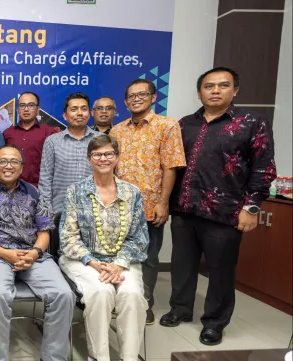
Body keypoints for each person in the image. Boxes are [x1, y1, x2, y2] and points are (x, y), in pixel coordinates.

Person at [161, 67, 277, 346]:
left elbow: (264, 168)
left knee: (221, 270)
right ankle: (180, 309)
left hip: (225, 211)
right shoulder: (184, 124)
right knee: (182, 265)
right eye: (209, 86)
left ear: (234, 90)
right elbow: (171, 165)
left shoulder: (251, 122)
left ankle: (214, 322)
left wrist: (251, 207)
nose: (215, 91)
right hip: (184, 208)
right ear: (199, 91)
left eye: (223, 85)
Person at [0, 144, 75, 361]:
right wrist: (5, 254)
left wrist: (34, 253)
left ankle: (54, 357)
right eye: (3, 161)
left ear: (21, 167)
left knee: (64, 295)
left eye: (14, 162)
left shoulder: (34, 192)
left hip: (32, 254)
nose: (8, 166)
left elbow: (45, 232)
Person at [59, 135, 149, 361]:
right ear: (89, 159)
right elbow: (68, 237)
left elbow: (139, 236)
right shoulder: (76, 191)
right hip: (82, 260)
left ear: (117, 157)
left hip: (122, 261)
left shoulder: (132, 193)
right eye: (97, 154)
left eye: (109, 154)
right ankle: (99, 357)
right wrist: (92, 262)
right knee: (101, 292)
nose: (103, 159)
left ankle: (129, 357)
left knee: (132, 295)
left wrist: (118, 264)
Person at [109, 79, 186, 325]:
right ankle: (117, 301)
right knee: (117, 255)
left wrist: (164, 202)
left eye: (142, 94)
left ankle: (145, 304)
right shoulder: (117, 130)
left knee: (149, 258)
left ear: (154, 97)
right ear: (125, 102)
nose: (136, 99)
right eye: (131, 96)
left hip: (151, 206)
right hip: (119, 207)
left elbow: (170, 167)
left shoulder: (167, 126)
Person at [39, 92, 100, 253]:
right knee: (59, 257)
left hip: (94, 212)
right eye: (74, 109)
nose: (79, 113)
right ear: (65, 115)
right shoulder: (53, 141)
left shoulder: (100, 141)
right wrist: (47, 213)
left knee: (91, 257)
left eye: (83, 109)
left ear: (90, 113)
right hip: (59, 212)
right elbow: (45, 179)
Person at [3, 92, 59, 187]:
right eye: (22, 105)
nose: (26, 109)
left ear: (38, 109)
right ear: (17, 109)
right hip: (11, 187)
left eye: (31, 105)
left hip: (39, 188)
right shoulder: (8, 133)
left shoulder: (50, 133)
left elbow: (56, 164)